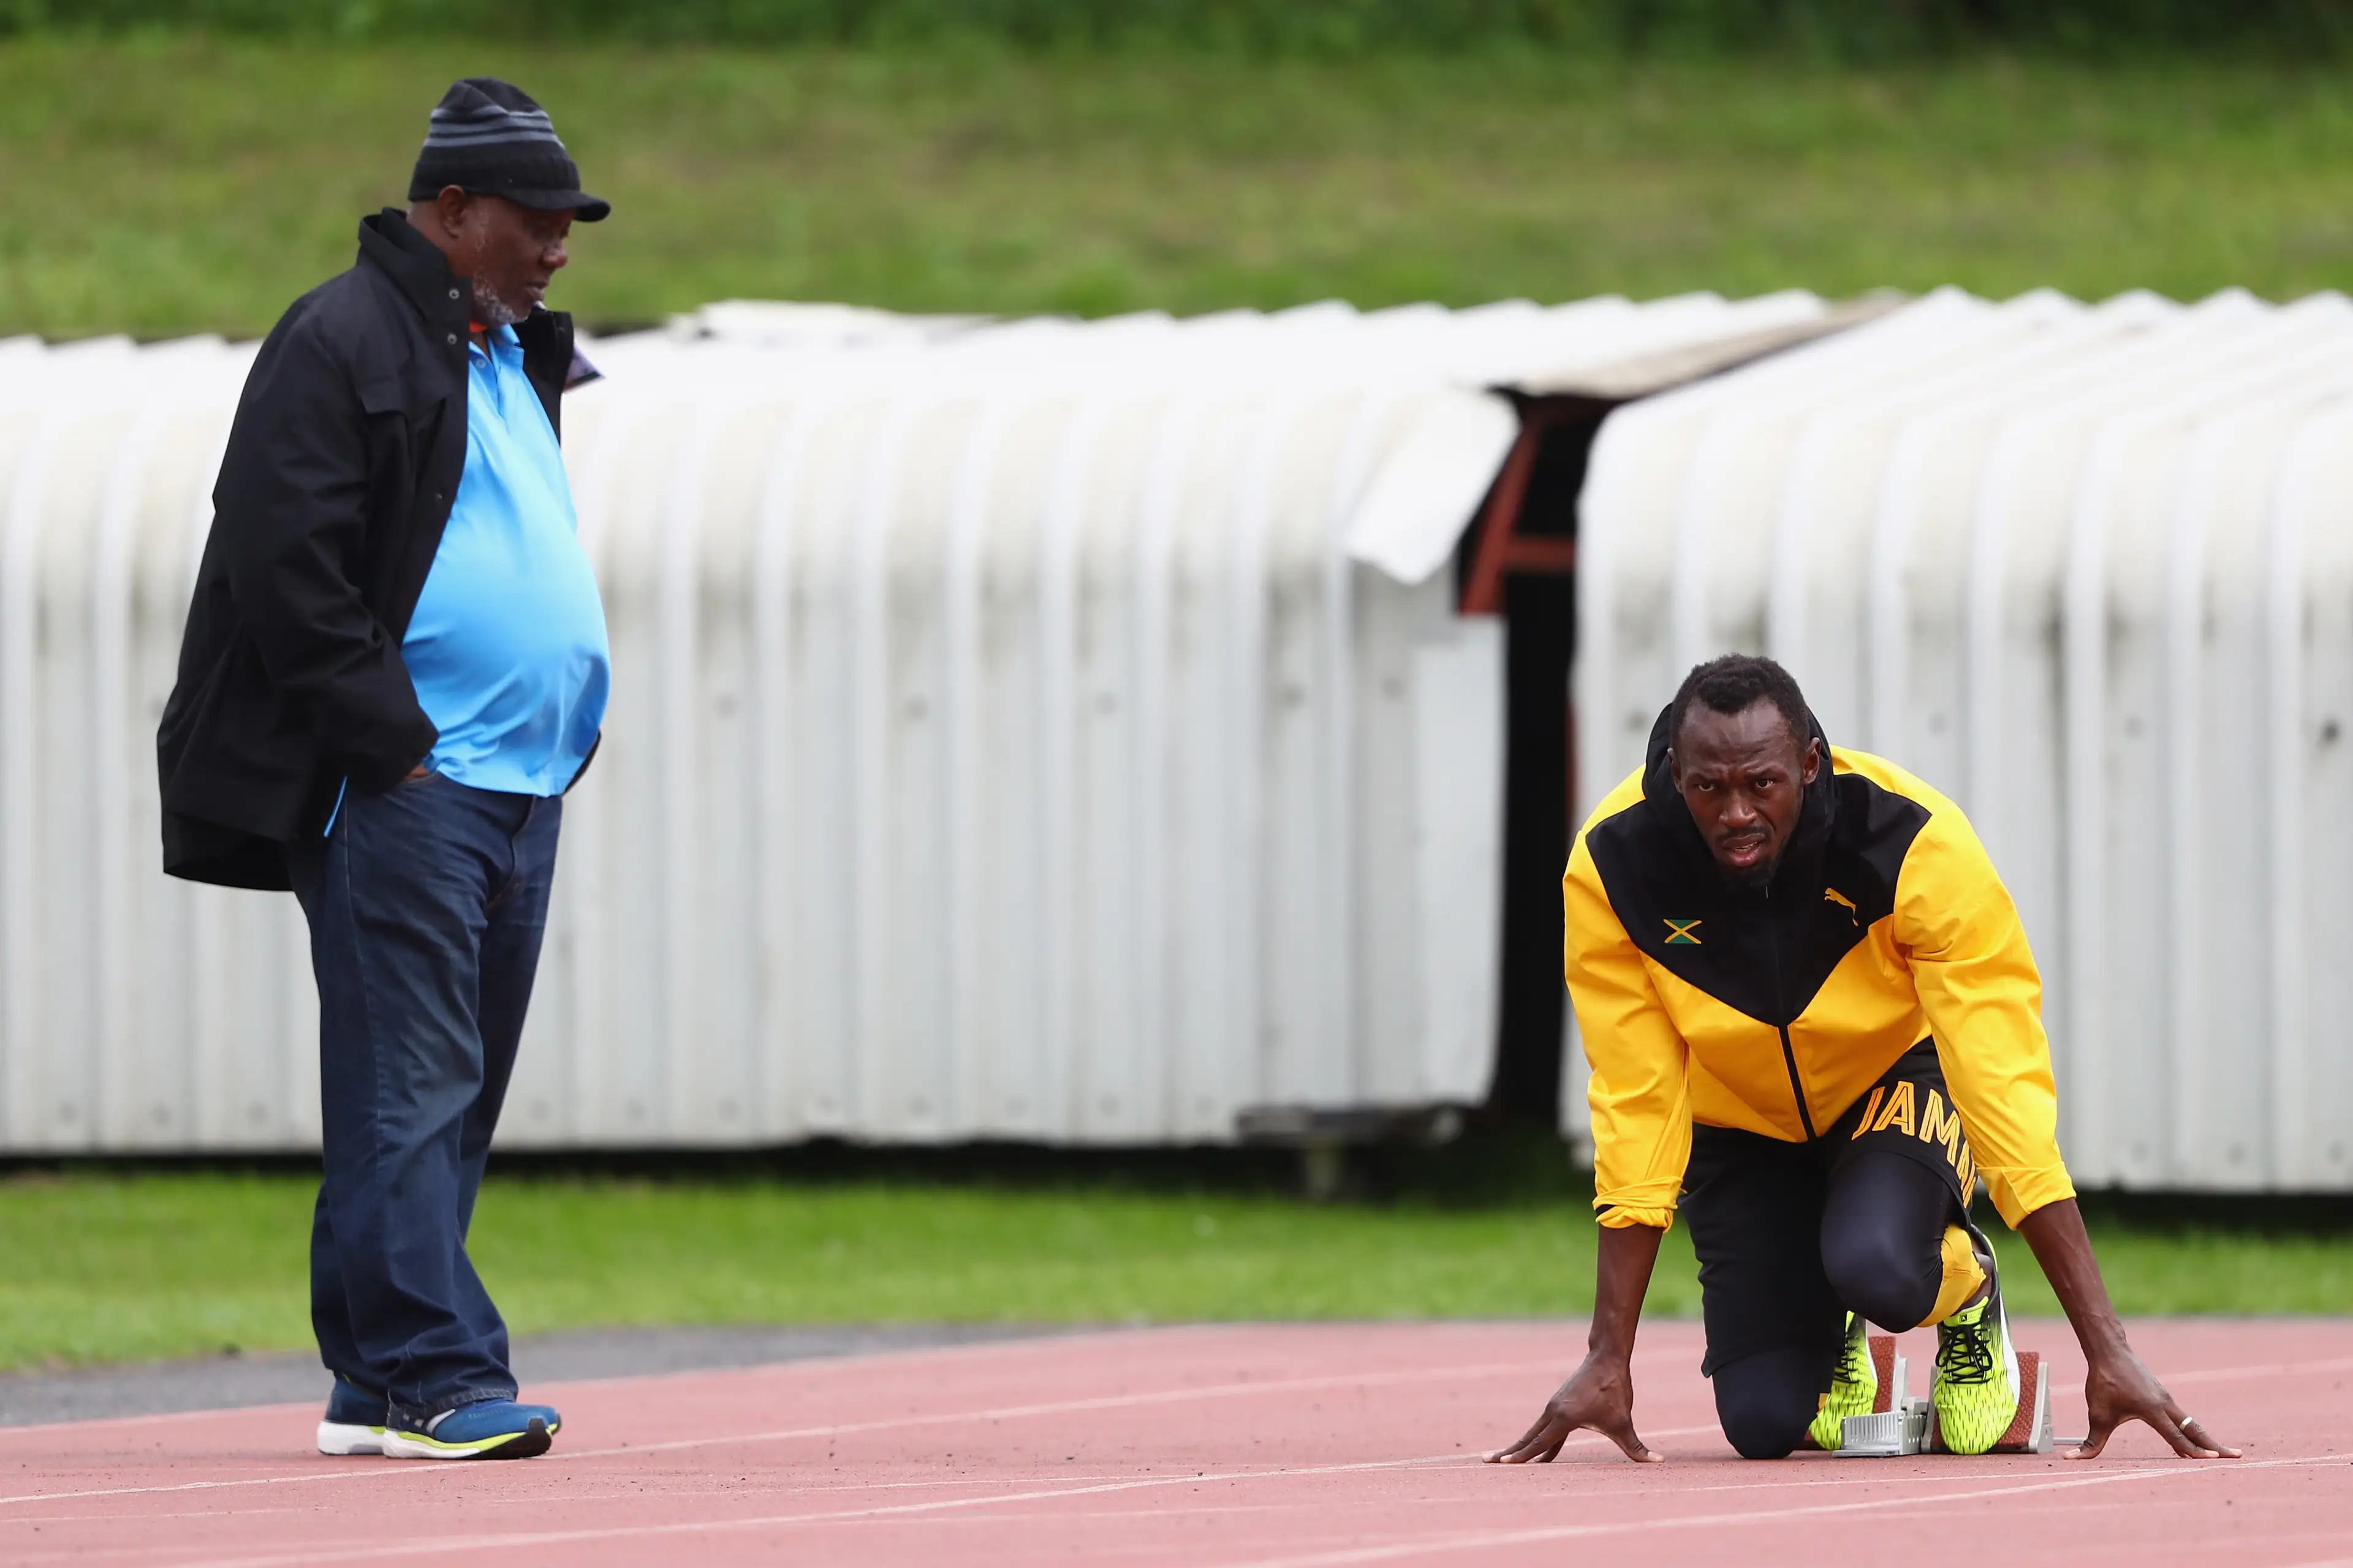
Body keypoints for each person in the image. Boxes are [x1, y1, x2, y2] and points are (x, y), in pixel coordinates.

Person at [156, 78, 612, 1461]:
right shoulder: (344, 334)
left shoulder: (504, 348)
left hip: (515, 784)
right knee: (409, 1083)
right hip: (412, 783)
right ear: (453, 211)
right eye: (536, 220)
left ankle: (372, 1377)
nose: (560, 245)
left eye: (570, 222)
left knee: (448, 1087)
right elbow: (281, 555)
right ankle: (431, 1370)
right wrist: (392, 743)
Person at [1490, 655, 2238, 1465]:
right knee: (1764, 1421)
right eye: (1709, 788)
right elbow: (1637, 1098)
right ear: (1676, 772)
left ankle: (1968, 1291)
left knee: (1879, 1263)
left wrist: (2106, 1342)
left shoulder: (1912, 840)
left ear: (1811, 763)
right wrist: (1609, 1354)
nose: (1736, 812)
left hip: (1889, 1080)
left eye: (1762, 784)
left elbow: (1999, 1079)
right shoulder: (1614, 866)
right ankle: (1835, 1314)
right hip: (1742, 1121)